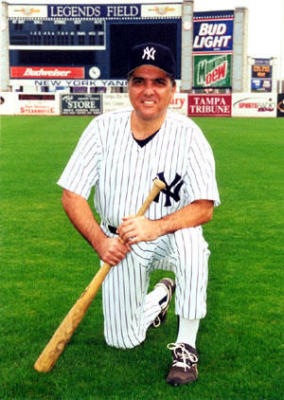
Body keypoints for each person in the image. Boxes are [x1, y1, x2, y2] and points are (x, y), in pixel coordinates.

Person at [57, 42, 220, 386]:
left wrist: (155, 227)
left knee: (192, 243)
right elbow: (72, 195)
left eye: (159, 81)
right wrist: (102, 242)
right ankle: (160, 297)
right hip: (119, 242)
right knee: (123, 340)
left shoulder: (189, 135)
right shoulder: (102, 129)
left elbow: (203, 208)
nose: (148, 90)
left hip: (170, 235)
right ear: (128, 86)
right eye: (139, 81)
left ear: (173, 88)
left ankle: (186, 348)